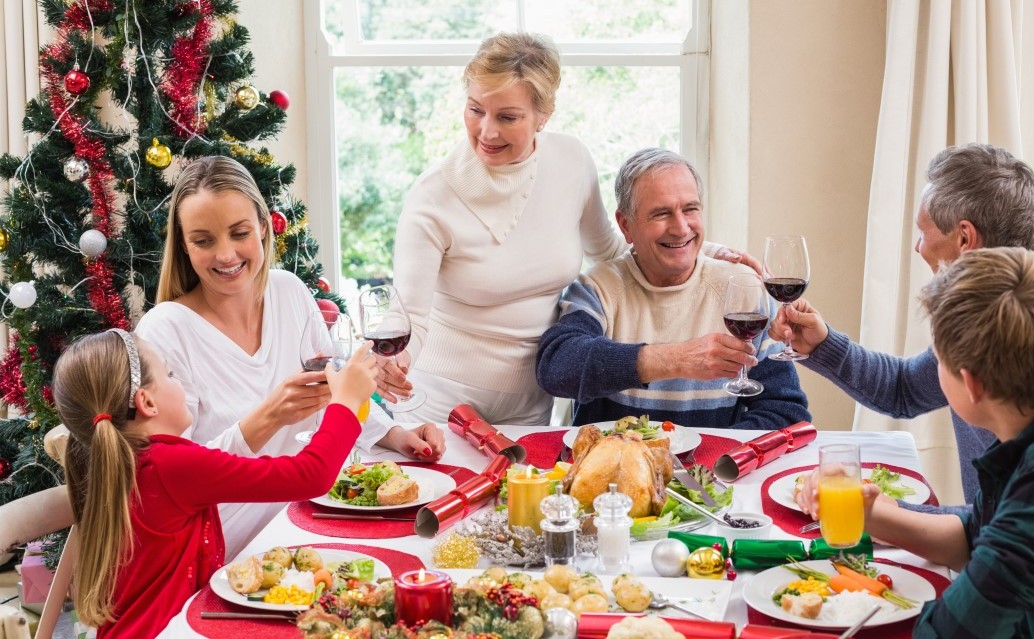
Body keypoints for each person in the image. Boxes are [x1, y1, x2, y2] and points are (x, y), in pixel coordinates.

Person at [390, 32, 757, 425]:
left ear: (543, 115)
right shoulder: (433, 196)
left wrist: (706, 253)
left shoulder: (570, 161)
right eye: (475, 110)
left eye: (507, 117)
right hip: (439, 397)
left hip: (530, 400)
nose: (487, 131)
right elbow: (408, 316)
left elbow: (615, 250)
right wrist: (390, 362)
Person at [771, 143, 1034, 506]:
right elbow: (905, 389)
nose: (918, 247)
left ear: (964, 237)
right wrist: (822, 344)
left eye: (923, 231)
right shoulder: (981, 318)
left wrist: (875, 510)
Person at [825, 248, 1034, 637]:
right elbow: (980, 531)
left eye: (938, 359)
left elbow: (950, 631)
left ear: (972, 384)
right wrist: (877, 514)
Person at [135, 155, 445, 555]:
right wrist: (268, 417)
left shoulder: (288, 291)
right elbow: (169, 477)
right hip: (227, 543)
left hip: (310, 512)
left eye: (239, 232)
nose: (226, 255)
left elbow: (333, 392)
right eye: (204, 240)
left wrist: (394, 435)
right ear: (184, 245)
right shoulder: (166, 330)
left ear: (263, 227)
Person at [54, 329, 379, 638]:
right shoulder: (172, 467)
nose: (178, 383)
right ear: (147, 403)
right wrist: (346, 402)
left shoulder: (123, 463)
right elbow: (312, 475)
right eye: (170, 375)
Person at [535, 148, 811, 429]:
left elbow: (786, 413)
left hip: (711, 471)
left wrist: (706, 459)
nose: (681, 229)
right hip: (616, 470)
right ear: (626, 225)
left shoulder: (744, 291)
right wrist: (676, 359)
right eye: (661, 214)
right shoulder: (598, 288)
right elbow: (557, 367)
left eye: (690, 209)